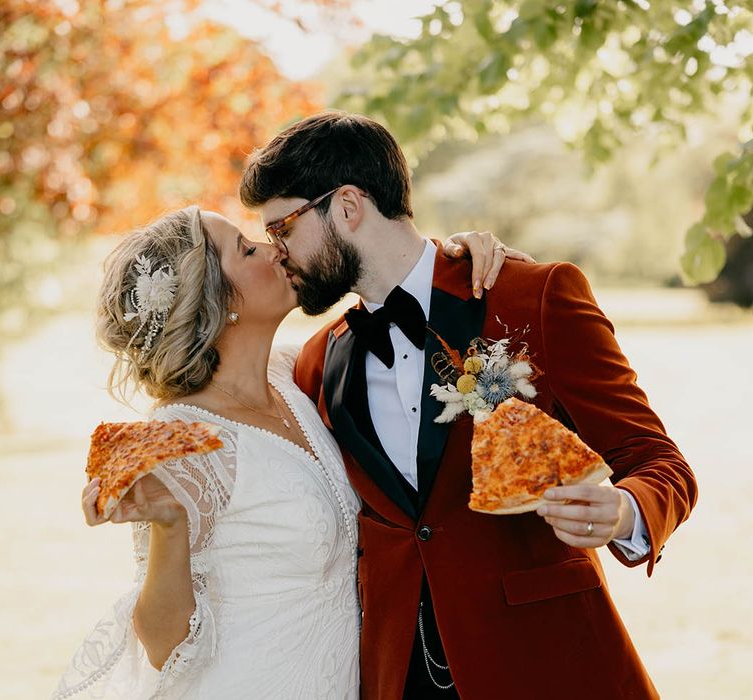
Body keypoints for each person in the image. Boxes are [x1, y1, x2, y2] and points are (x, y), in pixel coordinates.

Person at [237, 111, 699, 699]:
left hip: (546, 664)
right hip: (397, 675)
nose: (277, 252)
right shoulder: (316, 362)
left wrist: (626, 510)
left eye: (284, 227)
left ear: (348, 206)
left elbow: (659, 461)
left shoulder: (533, 297)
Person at [51, 203, 520, 699]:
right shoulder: (185, 440)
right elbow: (162, 644)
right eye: (246, 248)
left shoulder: (295, 375)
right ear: (217, 300)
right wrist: (169, 525)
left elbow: (398, 302)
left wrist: (452, 256)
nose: (274, 249)